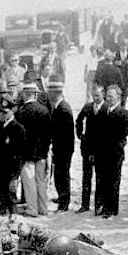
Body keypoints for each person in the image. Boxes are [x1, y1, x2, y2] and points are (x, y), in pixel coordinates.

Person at [95, 85, 128, 219]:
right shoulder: (103, 111)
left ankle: (112, 209)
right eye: (107, 96)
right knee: (103, 180)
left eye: (111, 96)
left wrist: (118, 137)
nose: (108, 98)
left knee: (113, 181)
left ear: (118, 97)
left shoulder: (123, 112)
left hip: (116, 153)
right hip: (103, 152)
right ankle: (105, 207)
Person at [0, 96, 25, 215]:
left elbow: (20, 157)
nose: (3, 114)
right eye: (1, 111)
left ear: (13, 111)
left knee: (9, 202)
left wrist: (15, 177)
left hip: (8, 173)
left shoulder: (18, 129)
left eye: (6, 112)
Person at [17, 83, 52, 217]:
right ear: (36, 94)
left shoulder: (21, 112)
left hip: (26, 153)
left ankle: (32, 209)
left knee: (29, 182)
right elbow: (48, 134)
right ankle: (43, 208)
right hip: (41, 152)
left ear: (25, 95)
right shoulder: (44, 111)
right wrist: (45, 149)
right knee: (41, 181)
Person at [75, 85, 106, 214]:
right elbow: (78, 120)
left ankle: (98, 206)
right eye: (93, 95)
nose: (95, 98)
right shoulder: (88, 107)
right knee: (86, 178)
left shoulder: (106, 108)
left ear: (103, 94)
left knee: (100, 178)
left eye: (97, 95)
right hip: (87, 148)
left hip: (101, 149)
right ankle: (85, 204)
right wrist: (80, 135)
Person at [47, 78, 74, 212]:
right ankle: (61, 196)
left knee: (62, 174)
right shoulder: (59, 106)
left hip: (64, 148)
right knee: (59, 174)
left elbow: (63, 133)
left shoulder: (63, 109)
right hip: (60, 147)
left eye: (50, 92)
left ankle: (64, 202)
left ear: (55, 93)